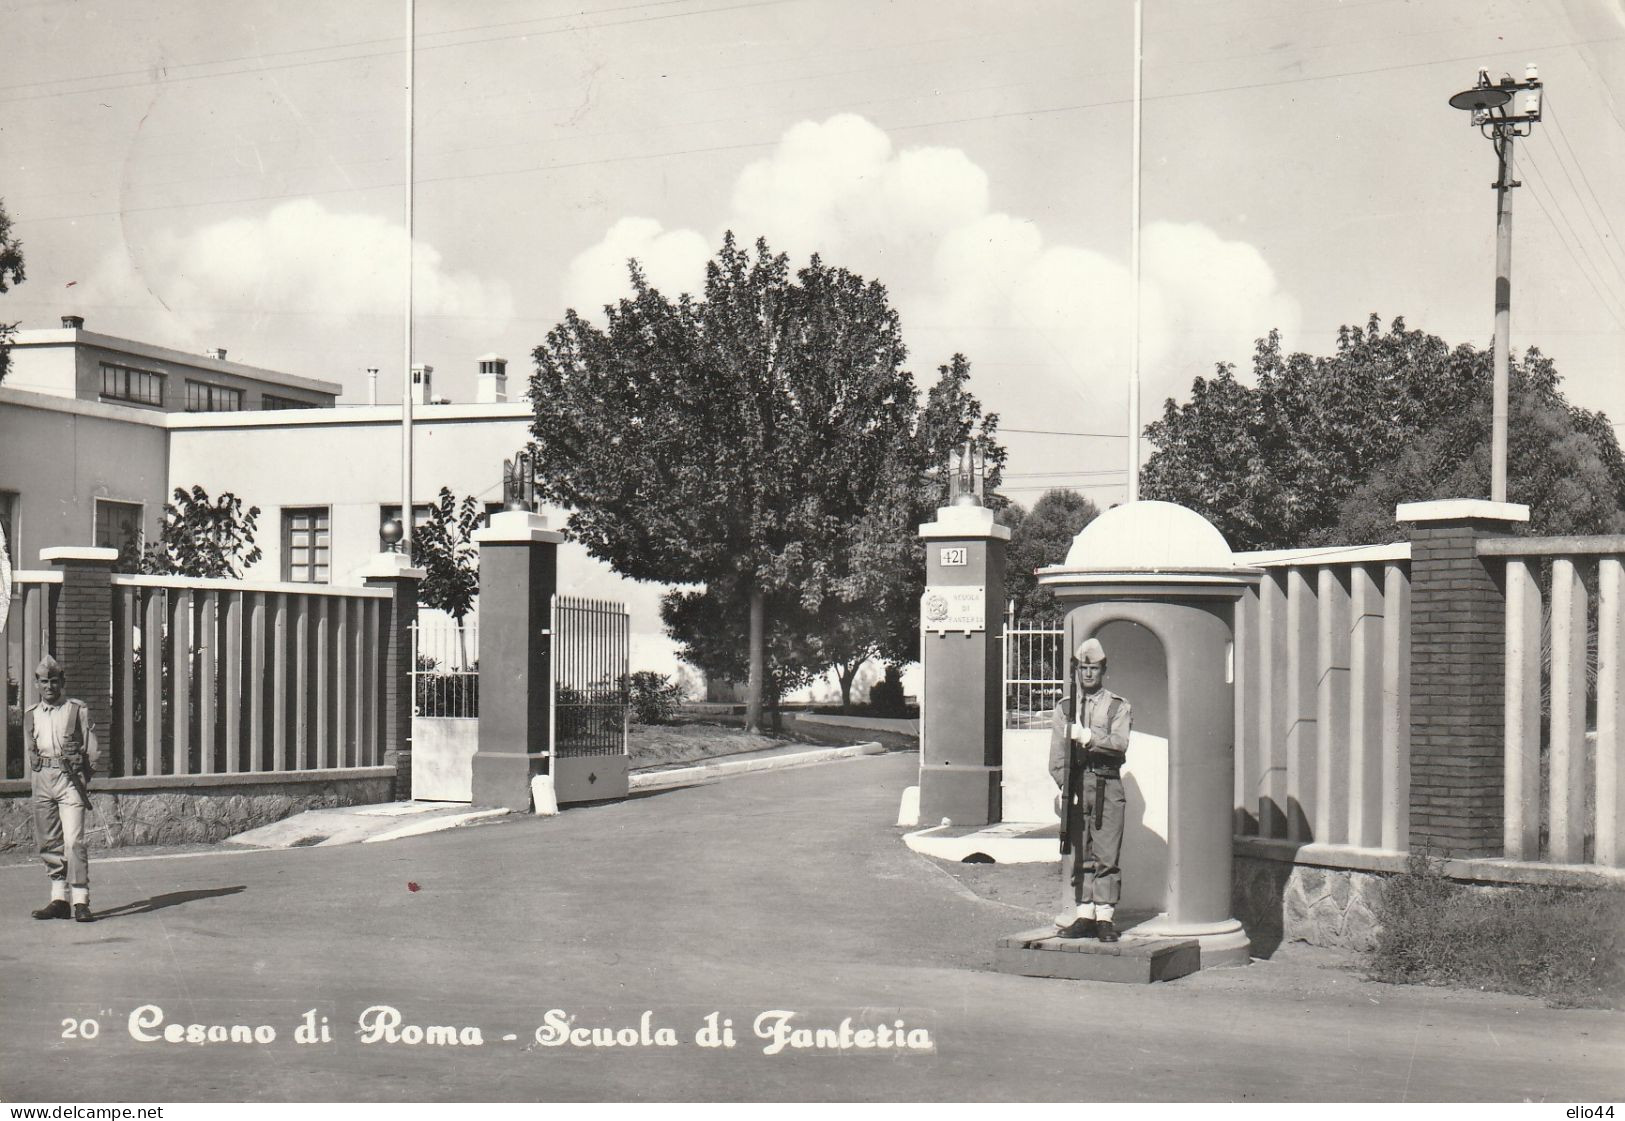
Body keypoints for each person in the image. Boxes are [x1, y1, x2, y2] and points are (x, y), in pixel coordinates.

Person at [1048, 637, 1132, 942]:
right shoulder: (1066, 707)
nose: (1087, 674)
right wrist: (1064, 786)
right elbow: (1057, 755)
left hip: (1107, 782)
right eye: (1083, 668)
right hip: (1077, 784)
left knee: (1107, 852)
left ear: (1103, 669)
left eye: (1093, 668)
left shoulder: (1116, 707)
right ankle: (1084, 914)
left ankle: (1105, 917)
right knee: (1080, 850)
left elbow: (1119, 744)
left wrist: (1087, 737)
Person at [26, 654, 99, 923]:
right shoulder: (30, 715)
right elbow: (31, 749)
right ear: (37, 684)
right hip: (42, 778)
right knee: (49, 841)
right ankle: (59, 899)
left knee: (74, 841)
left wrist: (83, 763)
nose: (49, 687)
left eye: (54, 681)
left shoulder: (76, 710)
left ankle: (80, 900)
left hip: (70, 780)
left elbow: (92, 749)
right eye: (44, 682)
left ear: (62, 682)